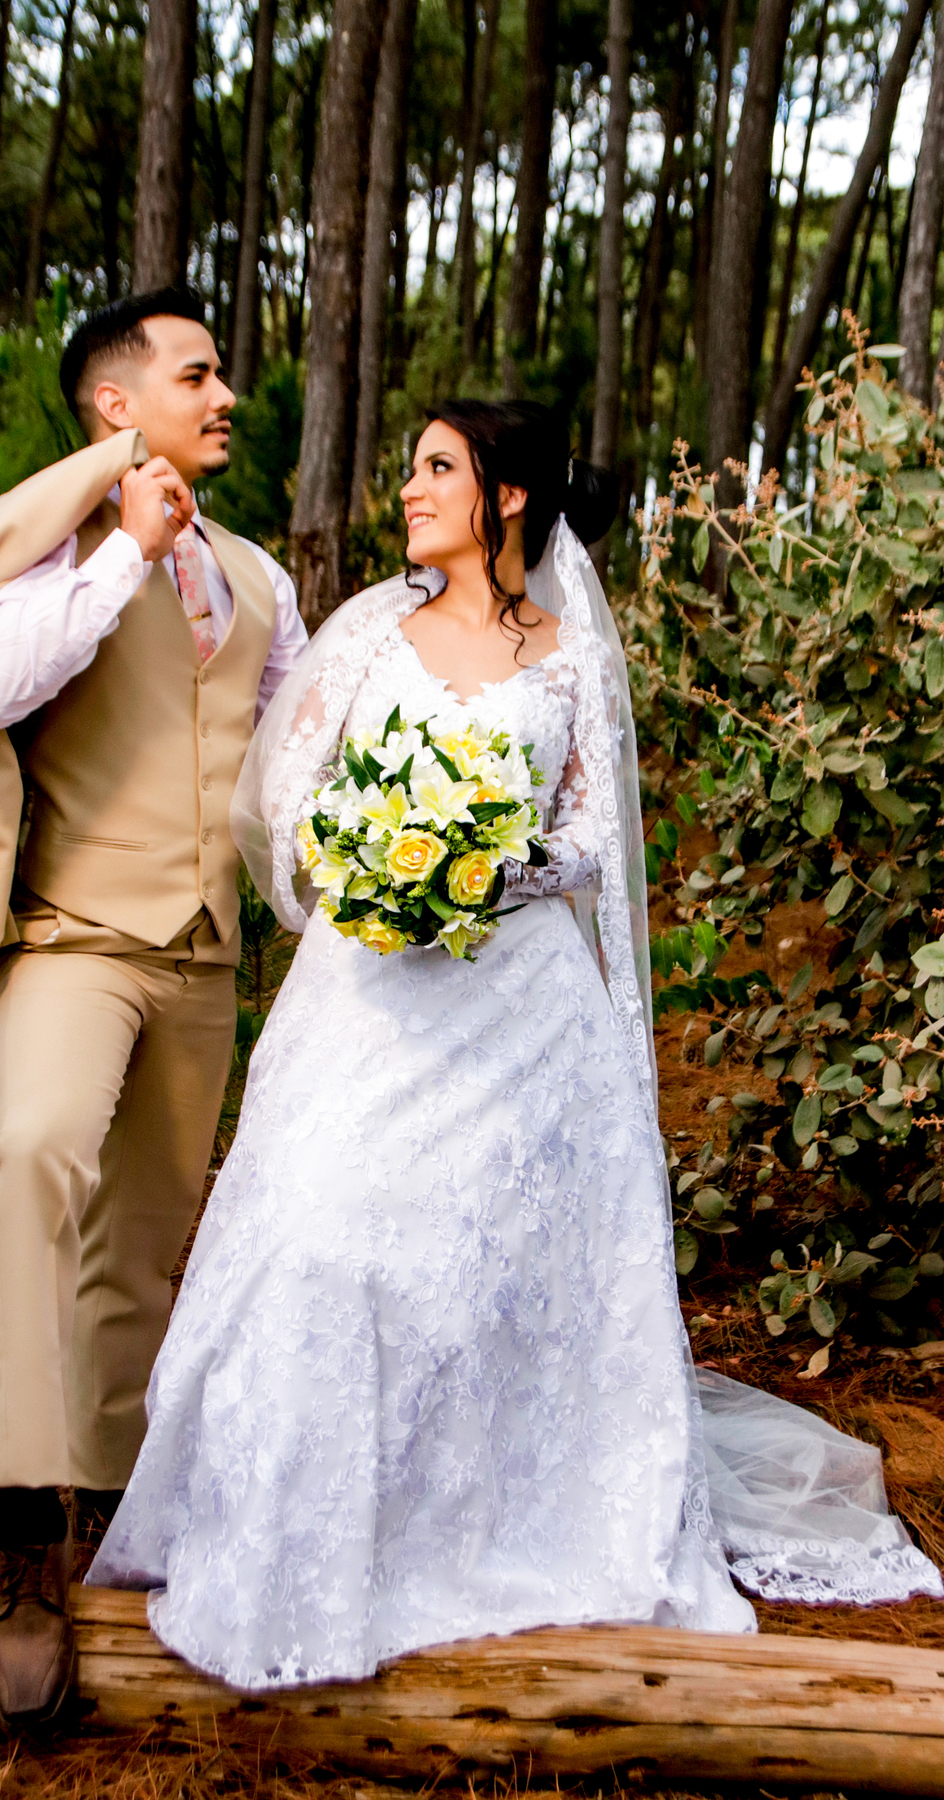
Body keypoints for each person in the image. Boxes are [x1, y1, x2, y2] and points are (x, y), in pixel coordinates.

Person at [87, 399, 942, 1689]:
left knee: (473, 1262)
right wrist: (374, 866)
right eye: (413, 465)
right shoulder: (372, 632)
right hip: (368, 997)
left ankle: (496, 1519)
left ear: (504, 498)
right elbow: (289, 804)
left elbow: (597, 842)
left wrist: (493, 863)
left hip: (520, 1013)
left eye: (439, 468)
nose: (412, 487)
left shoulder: (573, 659)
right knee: (323, 1242)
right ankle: (291, 1533)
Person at [0, 287, 308, 1724]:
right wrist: (120, 562)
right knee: (37, 1160)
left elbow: (277, 774)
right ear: (119, 408)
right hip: (72, 940)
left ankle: (104, 1522)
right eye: (200, 376)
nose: (226, 398)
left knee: (140, 1255)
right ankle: (23, 1541)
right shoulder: (55, 551)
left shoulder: (262, 581)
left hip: (206, 954)